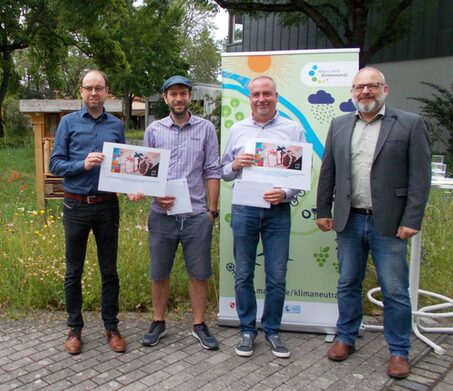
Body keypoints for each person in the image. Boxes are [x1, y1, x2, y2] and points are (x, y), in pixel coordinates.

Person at [316, 67, 431, 379]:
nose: (364, 92)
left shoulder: (409, 124)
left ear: (385, 90)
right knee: (347, 283)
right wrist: (322, 209)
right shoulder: (340, 125)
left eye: (371, 86)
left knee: (394, 290)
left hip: (390, 224)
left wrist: (412, 218)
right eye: (359, 87)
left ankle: (398, 351)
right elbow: (328, 171)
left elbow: (421, 177)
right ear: (352, 92)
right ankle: (346, 337)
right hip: (349, 220)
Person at [132, 75, 221, 350]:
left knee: (199, 273)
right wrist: (155, 192)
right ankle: (158, 321)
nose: (178, 98)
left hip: (196, 215)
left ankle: (198, 324)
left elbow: (213, 170)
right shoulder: (154, 130)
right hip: (162, 214)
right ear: (166, 98)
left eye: (183, 93)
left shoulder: (206, 128)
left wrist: (212, 212)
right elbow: (146, 170)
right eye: (173, 94)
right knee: (159, 272)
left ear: (190, 97)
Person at [221, 75, 306, 358]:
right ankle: (247, 329)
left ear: (276, 96)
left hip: (278, 211)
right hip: (244, 209)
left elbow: (301, 175)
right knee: (243, 273)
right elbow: (222, 171)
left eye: (266, 93)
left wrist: (285, 192)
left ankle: (272, 331)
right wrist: (235, 163)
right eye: (256, 94)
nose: (261, 99)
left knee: (277, 276)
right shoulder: (237, 130)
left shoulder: (292, 130)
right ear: (250, 99)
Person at [50, 70, 127, 355]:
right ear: (81, 92)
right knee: (74, 271)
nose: (93, 93)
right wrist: (81, 165)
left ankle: (111, 326)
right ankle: (74, 327)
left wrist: (130, 184)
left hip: (107, 205)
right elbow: (55, 164)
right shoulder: (67, 124)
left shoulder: (117, 125)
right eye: (88, 88)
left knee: (109, 271)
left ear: (107, 92)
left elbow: (122, 166)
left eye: (99, 88)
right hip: (76, 205)